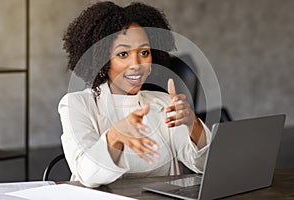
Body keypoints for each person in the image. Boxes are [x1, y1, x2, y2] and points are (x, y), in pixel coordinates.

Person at [59, 1, 211, 188]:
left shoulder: (163, 103)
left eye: (144, 52)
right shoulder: (76, 104)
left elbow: (205, 166)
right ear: (101, 62)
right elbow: (87, 173)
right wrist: (115, 136)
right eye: (123, 54)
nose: (137, 64)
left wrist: (192, 124)